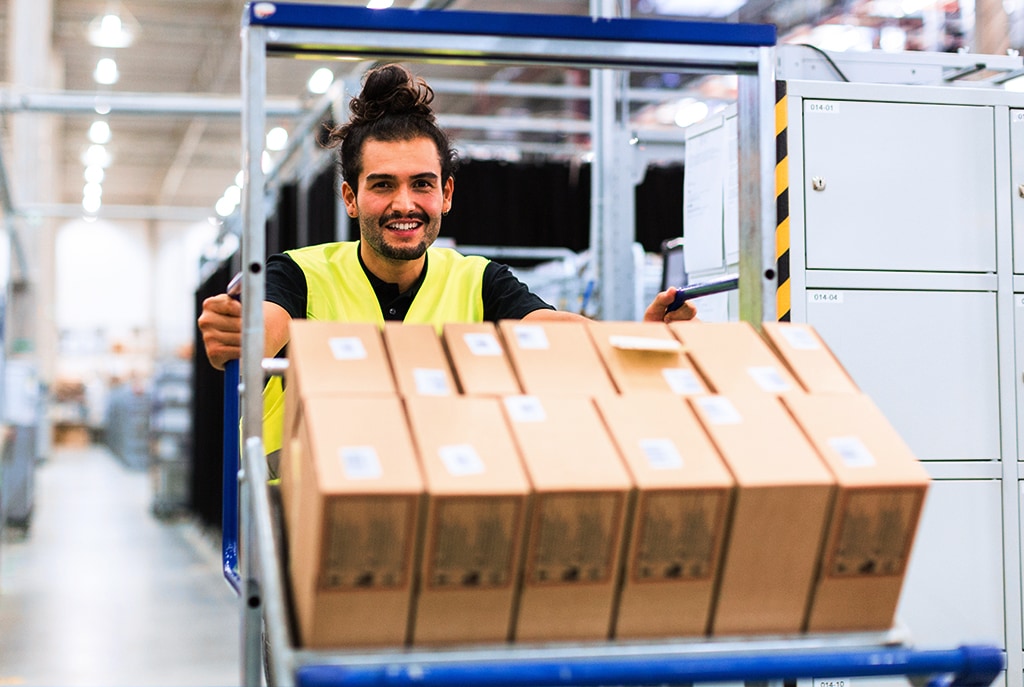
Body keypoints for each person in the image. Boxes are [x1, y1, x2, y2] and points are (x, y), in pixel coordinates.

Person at [198, 63, 696, 467]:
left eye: (421, 184)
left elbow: (558, 333)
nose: (404, 204)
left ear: (447, 193)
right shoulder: (299, 273)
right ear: (350, 198)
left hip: (432, 517)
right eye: (382, 185)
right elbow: (262, 327)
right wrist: (236, 333)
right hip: (297, 531)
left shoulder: (479, 281)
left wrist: (641, 339)